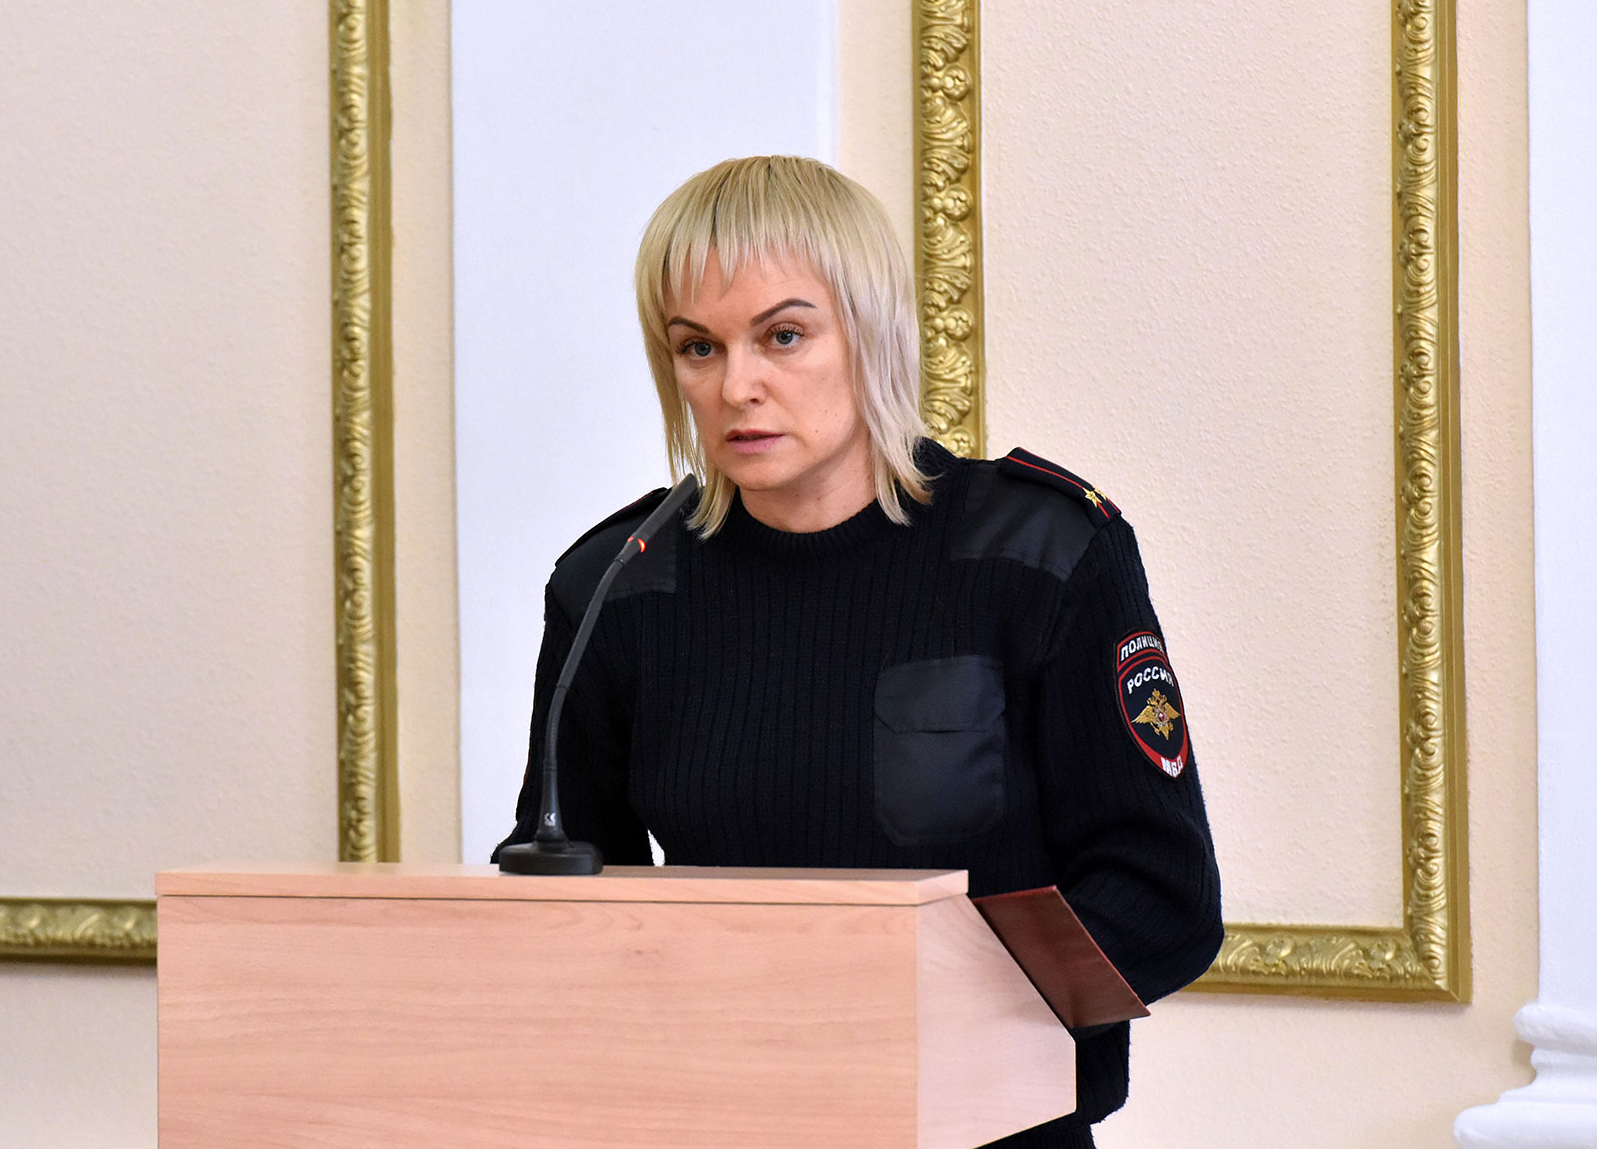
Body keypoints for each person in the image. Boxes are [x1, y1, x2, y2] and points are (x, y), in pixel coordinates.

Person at [494, 155, 1223, 1147]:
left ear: (872, 335)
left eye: (783, 336)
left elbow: (1159, 897)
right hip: (723, 1120)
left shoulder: (1041, 553)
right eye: (698, 347)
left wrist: (899, 1029)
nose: (738, 386)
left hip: (986, 1125)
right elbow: (569, 906)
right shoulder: (617, 585)